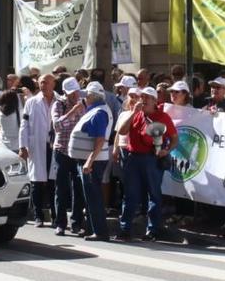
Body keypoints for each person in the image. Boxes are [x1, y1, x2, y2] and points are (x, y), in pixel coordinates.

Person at [116, 87, 178, 242]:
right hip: (133, 158)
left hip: (151, 158)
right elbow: (122, 131)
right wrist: (133, 113)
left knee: (154, 195)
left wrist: (166, 150)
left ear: (155, 101)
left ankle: (153, 230)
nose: (142, 99)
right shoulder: (136, 115)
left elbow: (175, 138)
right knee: (130, 195)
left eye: (147, 97)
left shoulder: (162, 116)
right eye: (141, 96)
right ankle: (125, 229)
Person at [69, 82, 112, 241]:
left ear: (93, 96)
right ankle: (93, 229)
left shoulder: (99, 112)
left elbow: (100, 140)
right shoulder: (96, 110)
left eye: (86, 95)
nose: (84, 98)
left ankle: (100, 232)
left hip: (92, 161)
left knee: (93, 197)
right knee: (91, 197)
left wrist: (89, 162)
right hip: (90, 160)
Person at [19, 74, 56, 227]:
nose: (43, 85)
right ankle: (38, 216)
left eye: (46, 82)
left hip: (54, 146)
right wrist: (23, 146)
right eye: (41, 82)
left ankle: (56, 216)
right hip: (37, 146)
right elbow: (24, 125)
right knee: (37, 183)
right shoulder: (32, 102)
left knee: (54, 183)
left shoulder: (60, 101)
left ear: (54, 84)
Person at [51, 77, 86, 236]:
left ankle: (77, 223)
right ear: (65, 92)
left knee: (78, 188)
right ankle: (60, 223)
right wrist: (72, 112)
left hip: (78, 151)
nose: (74, 95)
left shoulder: (84, 102)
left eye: (76, 92)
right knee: (62, 188)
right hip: (62, 151)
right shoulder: (59, 104)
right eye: (71, 93)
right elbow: (57, 126)